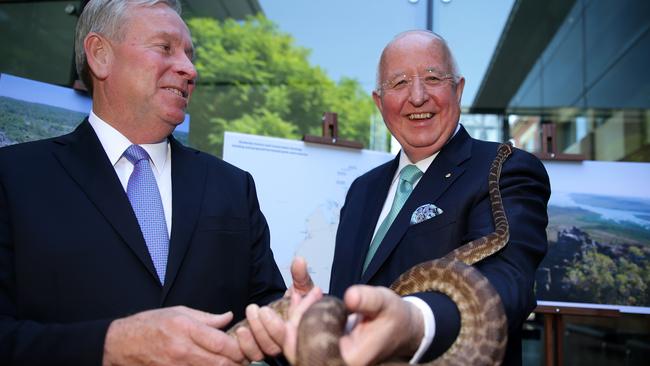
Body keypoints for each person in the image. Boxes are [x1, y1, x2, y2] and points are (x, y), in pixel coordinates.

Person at [0, 1, 313, 365]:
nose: (189, 68)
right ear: (100, 55)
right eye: (165, 48)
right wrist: (112, 344)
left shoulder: (232, 187)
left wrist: (295, 322)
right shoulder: (14, 178)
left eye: (189, 54)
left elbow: (266, 317)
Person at [324, 30, 551, 365]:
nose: (417, 97)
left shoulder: (507, 170)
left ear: (458, 89)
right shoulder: (362, 190)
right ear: (379, 101)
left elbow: (507, 285)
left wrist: (415, 321)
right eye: (399, 83)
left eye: (432, 78)